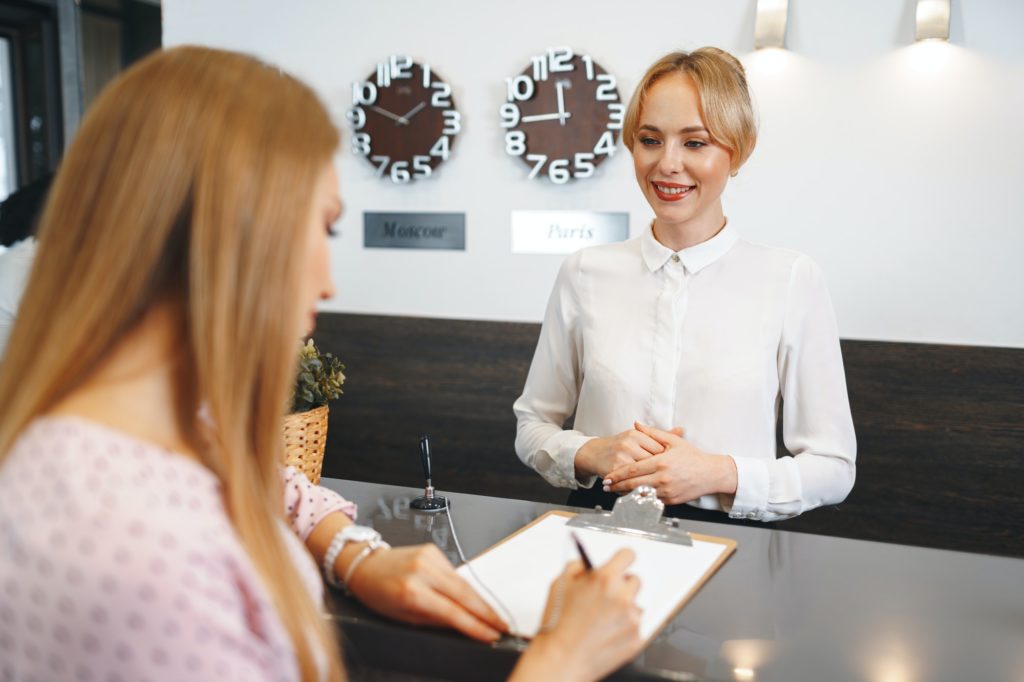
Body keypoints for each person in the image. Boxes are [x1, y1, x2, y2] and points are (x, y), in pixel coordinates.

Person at [0, 47, 643, 682]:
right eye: (323, 227)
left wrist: (356, 556)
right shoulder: (143, 557)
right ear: (229, 234)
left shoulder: (143, 424)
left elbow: (265, 481)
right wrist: (563, 662)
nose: (329, 283)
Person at [514, 48, 856, 524]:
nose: (667, 164)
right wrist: (592, 452)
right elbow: (532, 425)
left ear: (740, 148)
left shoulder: (791, 279)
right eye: (650, 140)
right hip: (598, 533)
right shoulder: (584, 272)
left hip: (732, 545)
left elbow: (833, 467)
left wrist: (717, 473)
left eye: (695, 143)